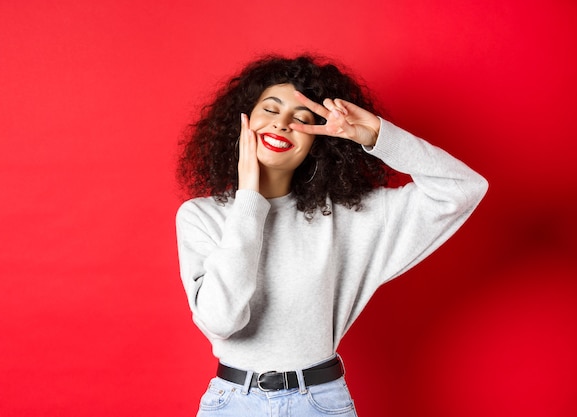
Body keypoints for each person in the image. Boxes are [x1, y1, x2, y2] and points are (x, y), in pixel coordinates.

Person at [175, 54, 488, 416]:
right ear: (242, 120)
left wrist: (377, 135)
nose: (282, 124)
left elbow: (463, 188)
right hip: (233, 403)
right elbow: (222, 321)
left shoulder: (348, 218)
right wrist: (249, 198)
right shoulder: (202, 216)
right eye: (271, 109)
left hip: (319, 403)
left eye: (302, 119)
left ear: (318, 142)